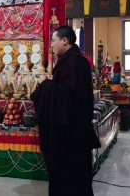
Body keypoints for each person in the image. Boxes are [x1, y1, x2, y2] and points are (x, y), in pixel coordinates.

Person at [31, 26, 101, 196]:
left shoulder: (76, 62)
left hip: (72, 134)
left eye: (54, 40)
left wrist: (45, 85)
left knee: (72, 180)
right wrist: (51, 84)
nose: (52, 45)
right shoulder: (68, 61)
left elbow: (70, 97)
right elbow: (64, 90)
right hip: (67, 134)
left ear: (65, 40)